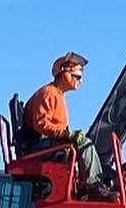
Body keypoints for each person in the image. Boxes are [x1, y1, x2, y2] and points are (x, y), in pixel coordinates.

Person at [23, 52, 113, 197]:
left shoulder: (57, 95)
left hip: (42, 143)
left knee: (81, 142)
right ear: (64, 73)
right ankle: (93, 185)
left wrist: (67, 134)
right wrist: (67, 134)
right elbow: (41, 124)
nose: (80, 81)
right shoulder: (49, 94)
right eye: (77, 77)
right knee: (85, 144)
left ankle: (89, 184)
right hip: (36, 145)